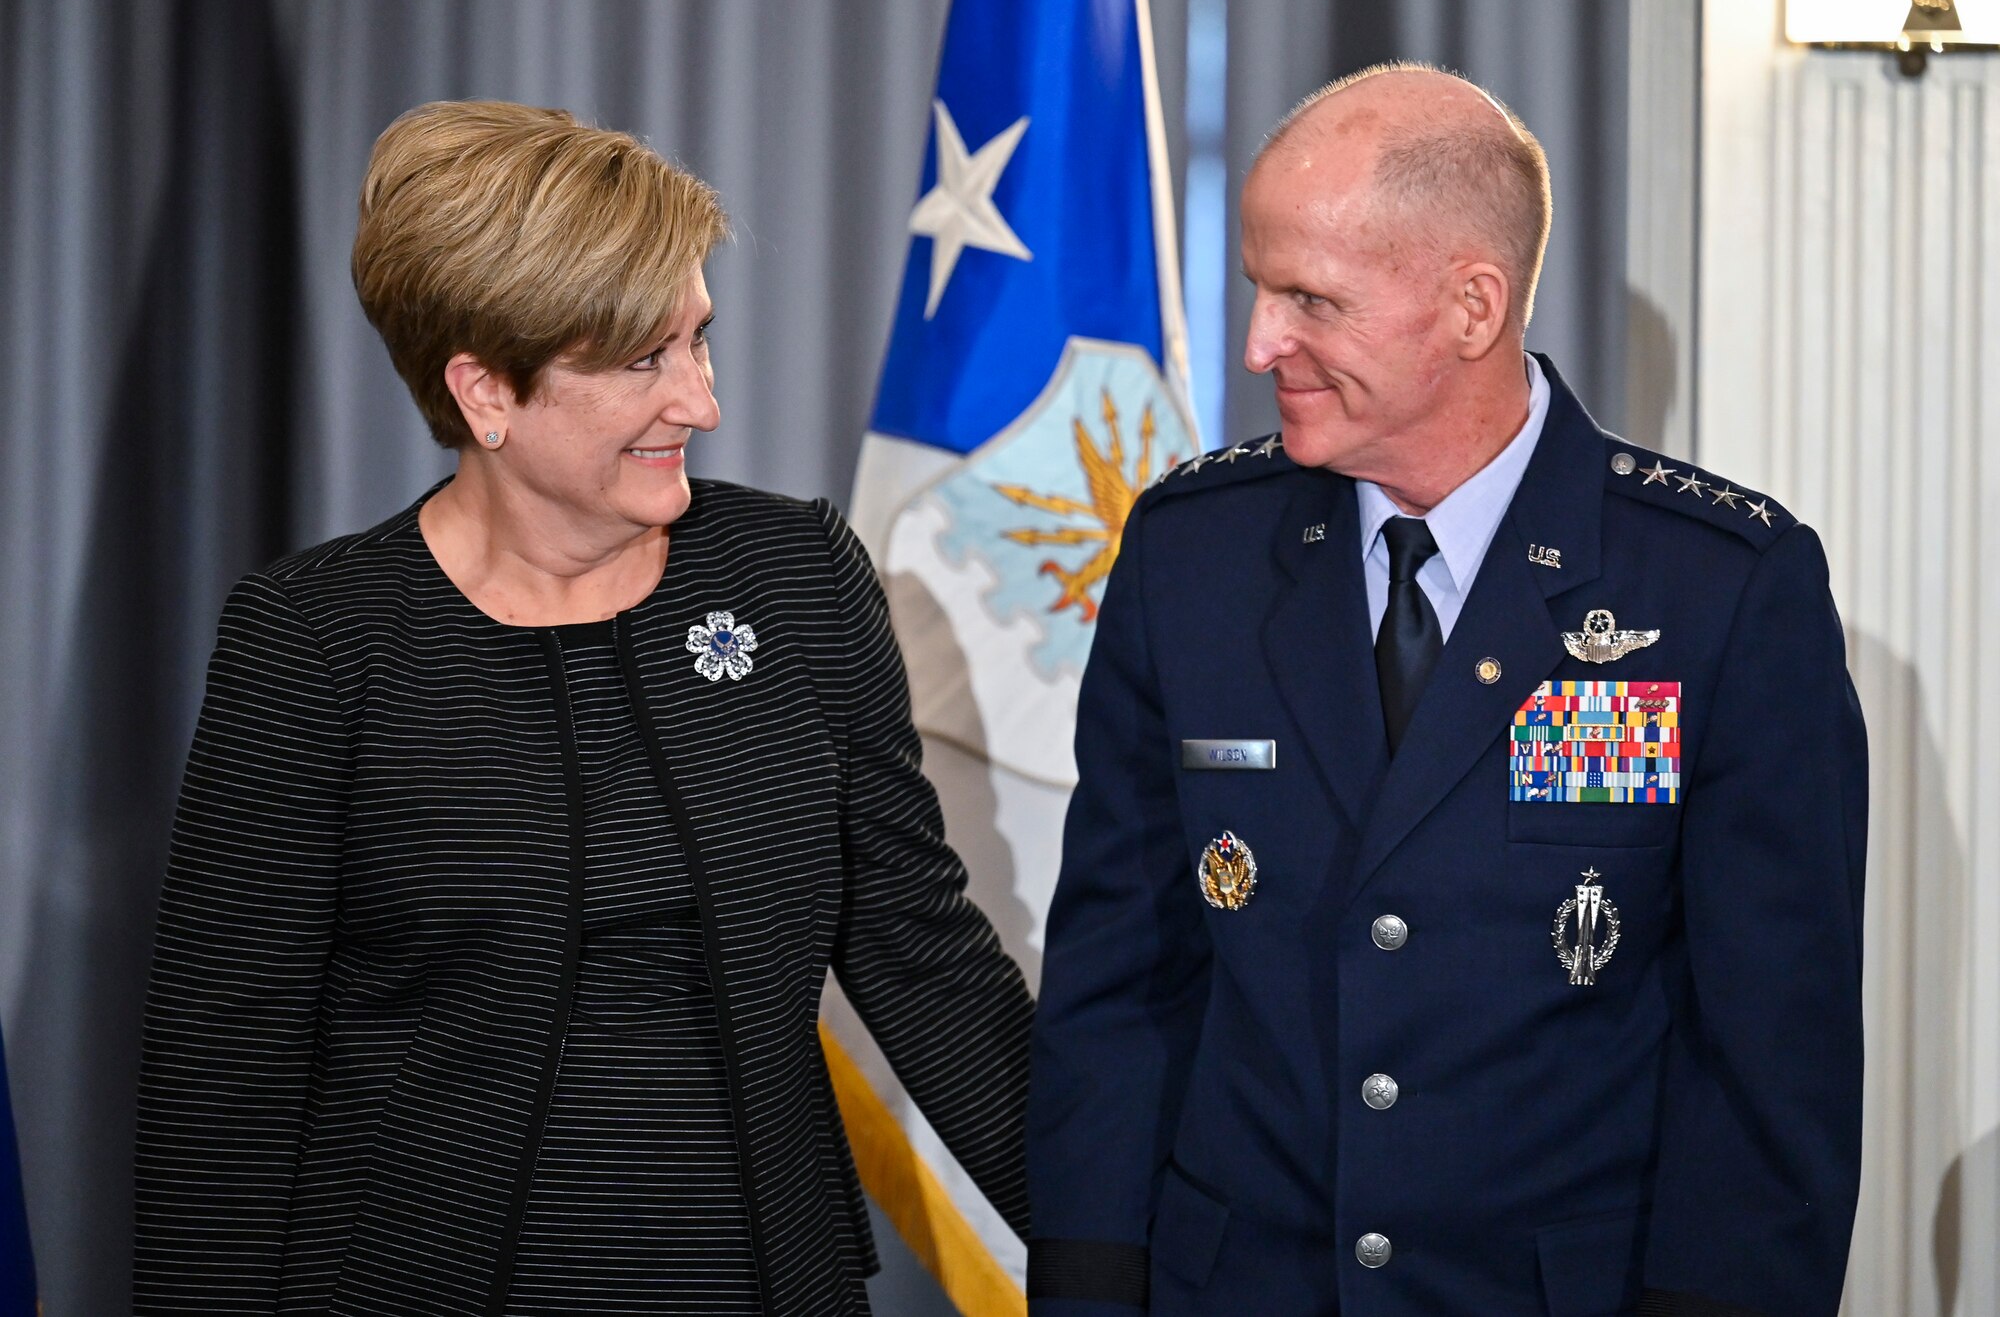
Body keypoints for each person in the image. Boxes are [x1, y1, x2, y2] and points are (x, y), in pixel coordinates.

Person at [134, 99, 1032, 1316]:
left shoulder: (795, 574)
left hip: (768, 1281)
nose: (702, 402)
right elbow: (224, 1075)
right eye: (643, 361)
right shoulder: (315, 638)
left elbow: (924, 961)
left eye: (700, 340)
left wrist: (1140, 1253)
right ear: (484, 392)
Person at [1025, 64, 1866, 1316]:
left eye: (1310, 299)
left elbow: (1766, 1063)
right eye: (1260, 289)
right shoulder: (1191, 551)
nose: (1259, 342)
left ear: (1472, 306)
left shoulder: (1719, 588)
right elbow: (1117, 981)